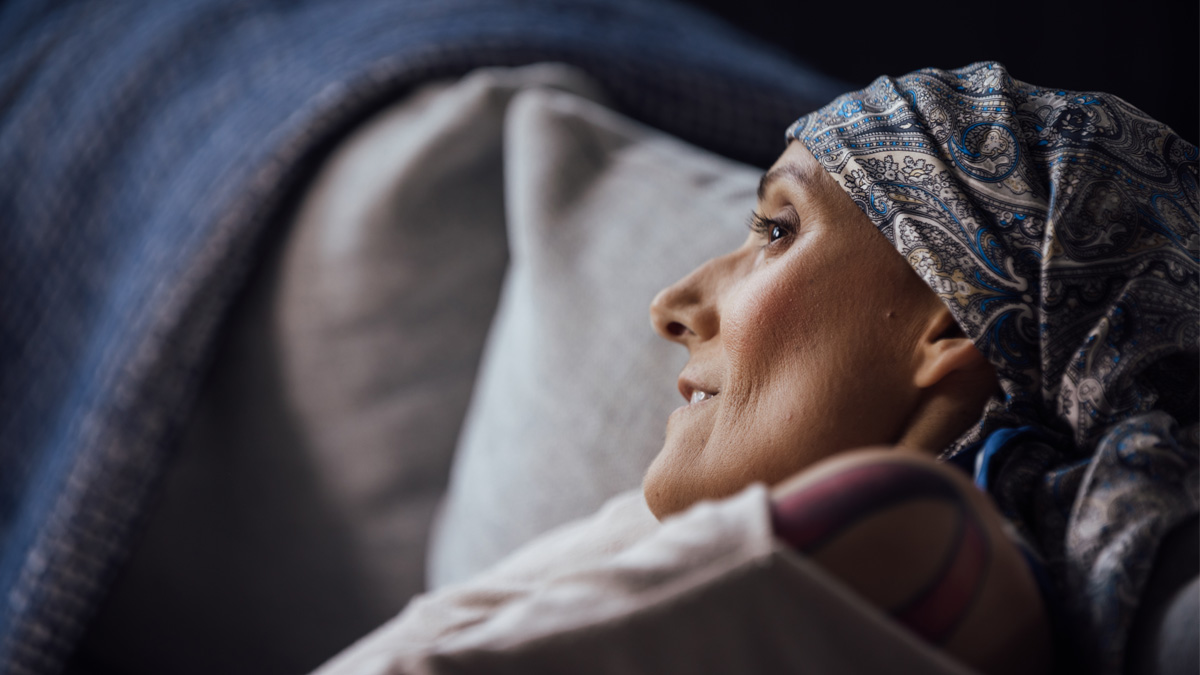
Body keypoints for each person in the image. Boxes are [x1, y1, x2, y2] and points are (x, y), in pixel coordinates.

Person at [317, 62, 1196, 675]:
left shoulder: (913, 536)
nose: (672, 303)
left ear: (947, 317)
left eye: (777, 230)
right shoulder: (676, 535)